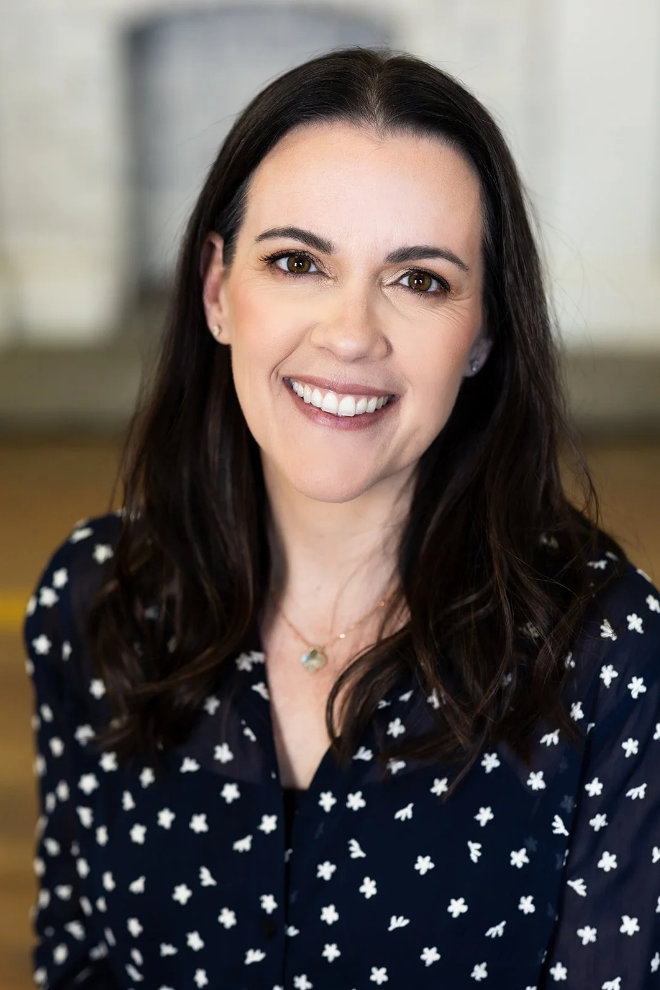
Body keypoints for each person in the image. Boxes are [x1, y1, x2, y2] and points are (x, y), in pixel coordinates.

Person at [24, 47, 660, 990]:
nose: (351, 333)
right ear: (216, 289)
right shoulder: (99, 600)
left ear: (483, 332)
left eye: (420, 280)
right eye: (296, 262)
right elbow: (77, 961)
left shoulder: (604, 654)